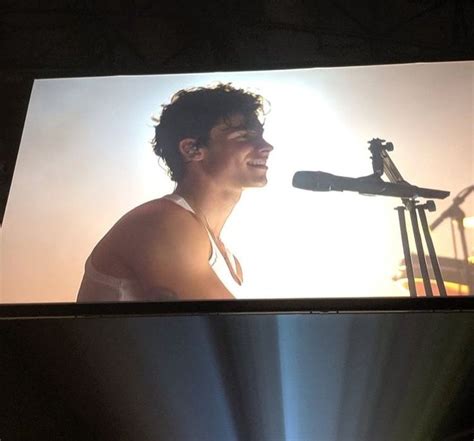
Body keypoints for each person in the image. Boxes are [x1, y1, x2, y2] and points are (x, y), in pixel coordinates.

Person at [77, 83, 273, 302]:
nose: (266, 147)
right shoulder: (163, 222)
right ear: (192, 149)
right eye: (244, 136)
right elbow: (226, 328)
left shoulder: (228, 260)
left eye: (261, 136)